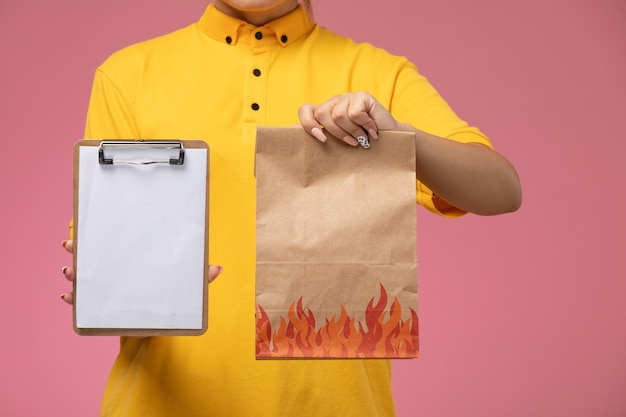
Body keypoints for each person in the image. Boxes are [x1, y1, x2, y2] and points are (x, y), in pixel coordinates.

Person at [60, 0, 522, 416]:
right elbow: (105, 264)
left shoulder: (379, 73)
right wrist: (112, 284)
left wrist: (398, 135)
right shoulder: (129, 75)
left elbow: (501, 190)